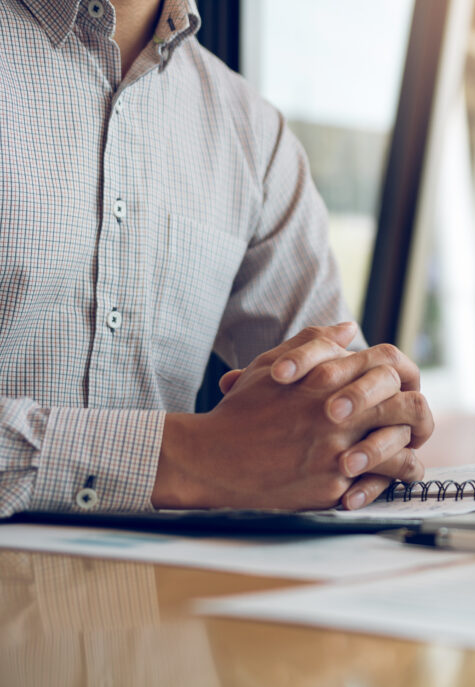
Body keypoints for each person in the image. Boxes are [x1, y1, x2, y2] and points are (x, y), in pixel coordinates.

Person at [0, 0, 431, 517]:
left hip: (169, 570)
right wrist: (190, 456)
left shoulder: (255, 136)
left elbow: (335, 408)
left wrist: (369, 417)